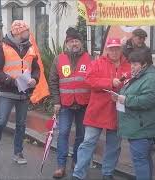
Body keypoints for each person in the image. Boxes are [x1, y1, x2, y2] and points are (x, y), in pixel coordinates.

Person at [0, 20, 40, 164]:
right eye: (26, 31)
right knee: (0, 123)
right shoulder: (2, 47)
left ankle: (18, 153)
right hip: (7, 93)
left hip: (24, 93)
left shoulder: (31, 48)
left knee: (21, 124)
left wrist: (34, 79)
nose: (28, 33)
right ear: (18, 32)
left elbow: (36, 69)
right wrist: (12, 81)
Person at [72, 38, 131, 180]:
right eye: (111, 49)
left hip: (117, 111)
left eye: (117, 48)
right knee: (87, 143)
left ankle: (107, 173)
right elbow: (89, 80)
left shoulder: (129, 65)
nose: (114, 51)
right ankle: (78, 174)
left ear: (121, 49)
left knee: (114, 146)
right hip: (97, 110)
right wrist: (110, 82)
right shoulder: (98, 63)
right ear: (107, 50)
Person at [115, 48, 155, 180]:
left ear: (145, 64)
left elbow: (148, 100)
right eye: (131, 63)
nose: (132, 67)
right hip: (139, 126)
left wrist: (126, 100)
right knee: (144, 159)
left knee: (140, 161)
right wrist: (120, 97)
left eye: (135, 64)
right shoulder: (141, 76)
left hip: (143, 128)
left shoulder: (152, 78)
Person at [49, 27, 92, 178]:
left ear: (81, 43)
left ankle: (76, 162)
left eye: (77, 41)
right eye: (71, 41)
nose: (74, 43)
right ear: (67, 43)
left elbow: (94, 81)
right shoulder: (58, 59)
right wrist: (56, 101)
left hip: (84, 104)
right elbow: (53, 81)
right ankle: (61, 166)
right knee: (63, 134)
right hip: (65, 105)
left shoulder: (89, 58)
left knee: (81, 135)